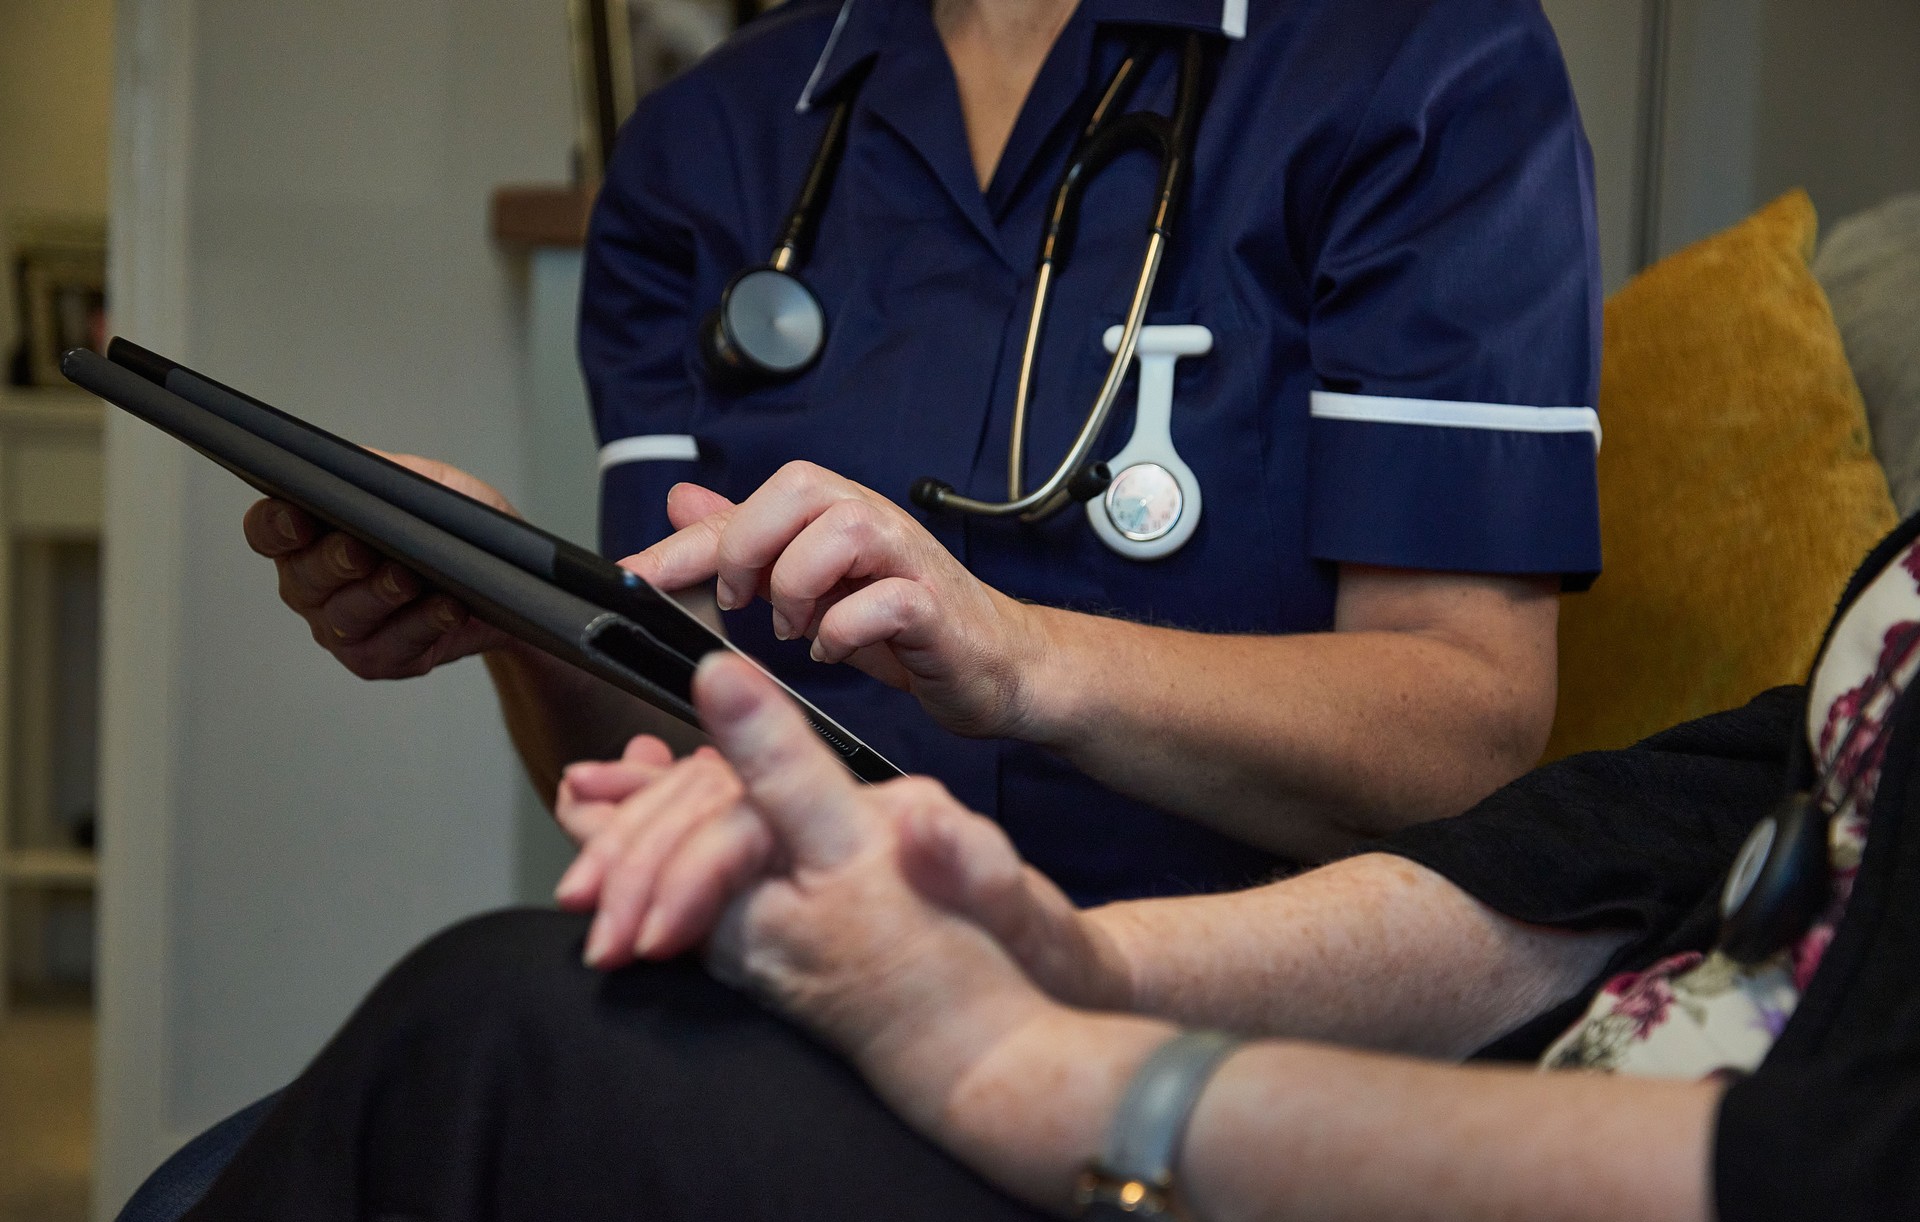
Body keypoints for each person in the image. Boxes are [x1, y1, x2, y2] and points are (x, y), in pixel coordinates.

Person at [117, 515, 1920, 1222]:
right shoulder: (724, 136)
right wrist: (1058, 957)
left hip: (1434, 1196)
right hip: (1346, 1086)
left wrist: (1055, 1074)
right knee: (239, 1177)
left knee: (491, 1058)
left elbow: (1848, 1187)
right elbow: (1602, 855)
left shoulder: (1420, 77)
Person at [244, 0, 1604, 915]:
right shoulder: (706, 144)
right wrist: (513, 614)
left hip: (1209, 1019)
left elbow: (1466, 734)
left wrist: (1019, 658)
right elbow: (669, 743)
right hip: (800, 988)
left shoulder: (1424, 64)